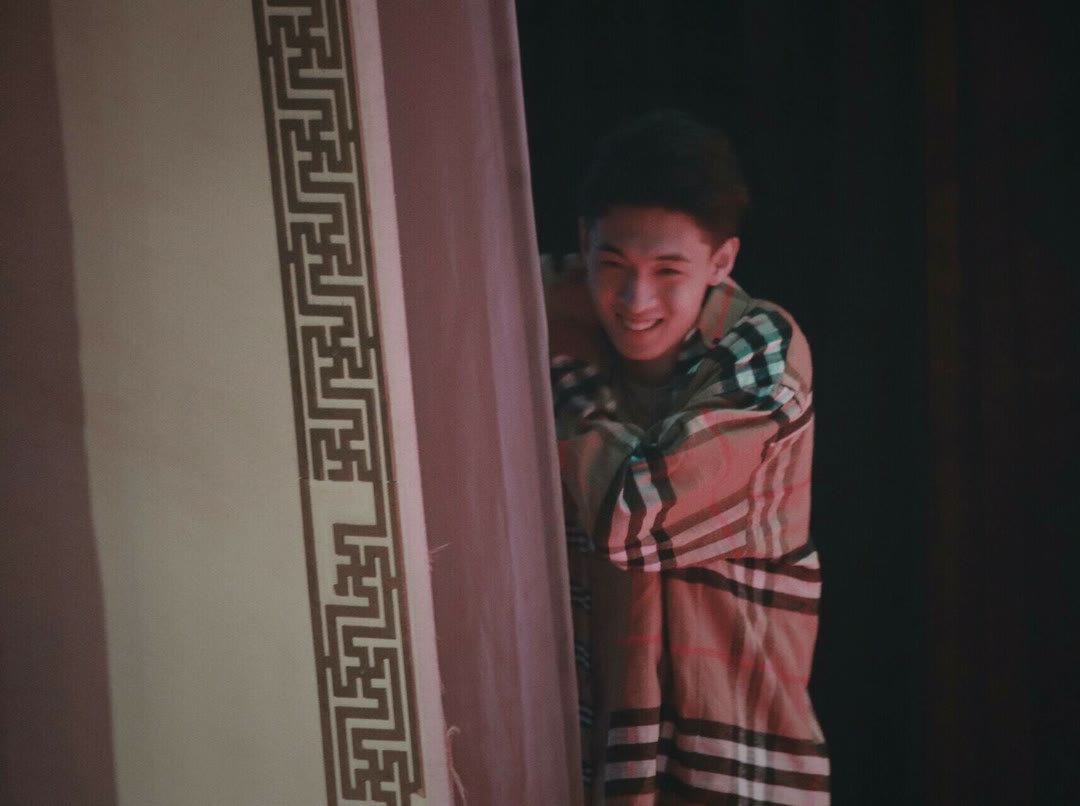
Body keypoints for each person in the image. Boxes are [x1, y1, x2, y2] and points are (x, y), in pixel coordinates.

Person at [547, 110, 829, 804]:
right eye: (613, 263)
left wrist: (559, 375)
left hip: (735, 767)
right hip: (594, 757)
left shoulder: (764, 349)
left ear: (721, 261)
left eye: (668, 270)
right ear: (583, 242)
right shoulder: (544, 311)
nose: (635, 299)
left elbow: (633, 517)